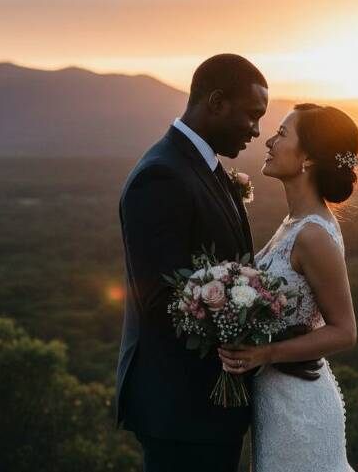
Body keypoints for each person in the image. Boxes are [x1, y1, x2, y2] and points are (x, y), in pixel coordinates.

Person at [116, 53, 268, 472]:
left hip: (210, 411)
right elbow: (161, 298)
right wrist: (245, 319)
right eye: (252, 116)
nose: (257, 131)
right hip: (181, 409)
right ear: (217, 102)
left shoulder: (207, 168)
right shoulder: (162, 175)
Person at [218, 103, 358, 472]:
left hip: (300, 412)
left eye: (282, 134)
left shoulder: (313, 235)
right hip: (276, 402)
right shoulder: (294, 222)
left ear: (309, 158)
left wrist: (264, 354)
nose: (269, 140)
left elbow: (344, 332)